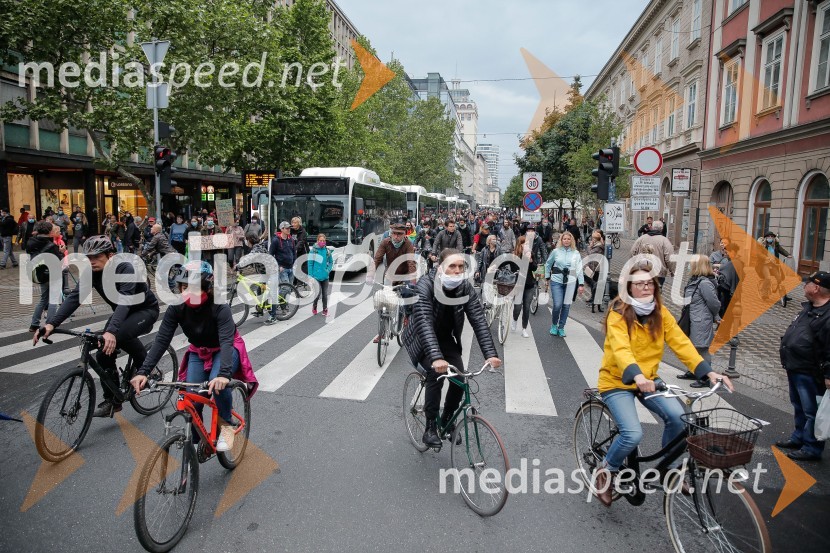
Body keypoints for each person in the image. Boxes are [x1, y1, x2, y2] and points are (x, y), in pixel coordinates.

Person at [592, 262, 734, 506]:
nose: (646, 287)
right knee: (632, 434)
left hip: (650, 380)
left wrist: (708, 373)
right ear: (628, 288)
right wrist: (636, 376)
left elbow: (681, 343)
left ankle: (670, 469)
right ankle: (606, 471)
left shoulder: (660, 312)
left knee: (679, 419)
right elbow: (621, 350)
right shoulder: (618, 313)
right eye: (640, 283)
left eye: (650, 283)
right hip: (618, 381)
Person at [130, 261, 258, 452]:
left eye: (195, 288)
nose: (188, 292)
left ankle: (226, 426)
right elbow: (162, 340)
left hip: (225, 349)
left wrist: (223, 374)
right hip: (198, 351)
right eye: (184, 287)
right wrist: (143, 372)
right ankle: (198, 439)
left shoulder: (220, 307)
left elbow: (226, 341)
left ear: (207, 287)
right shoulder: (176, 308)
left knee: (218, 385)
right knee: (192, 398)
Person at [34, 235, 160, 417]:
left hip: (144, 311)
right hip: (121, 313)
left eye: (96, 257)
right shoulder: (92, 272)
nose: (91, 261)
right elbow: (74, 298)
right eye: (88, 257)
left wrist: (111, 332)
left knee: (118, 336)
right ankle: (113, 400)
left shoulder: (125, 268)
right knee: (103, 351)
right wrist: (51, 324)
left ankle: (148, 369)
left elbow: (125, 301)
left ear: (110, 255)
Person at [401, 249, 502, 447]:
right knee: (436, 374)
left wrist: (490, 354)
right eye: (452, 266)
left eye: (461, 267)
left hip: (446, 339)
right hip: (421, 339)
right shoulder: (426, 285)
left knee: (459, 379)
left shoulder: (465, 288)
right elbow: (423, 321)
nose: (457, 271)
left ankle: (447, 419)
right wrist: (436, 358)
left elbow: (479, 320)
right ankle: (430, 427)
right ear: (440, 268)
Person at [776, 271, 830, 462]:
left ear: (815, 288)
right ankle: (799, 437)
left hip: (811, 371)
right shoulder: (808, 308)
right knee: (798, 406)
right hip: (796, 366)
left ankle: (812, 447)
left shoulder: (827, 315)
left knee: (811, 410)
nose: (804, 285)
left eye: (807, 283)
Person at [677, 256, 722, 388]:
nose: (689, 267)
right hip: (692, 319)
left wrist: (716, 316)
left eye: (691, 264)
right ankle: (693, 371)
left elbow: (714, 303)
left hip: (701, 321)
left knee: (702, 349)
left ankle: (705, 377)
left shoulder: (705, 283)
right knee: (692, 348)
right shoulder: (696, 280)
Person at [368, 223, 417, 342]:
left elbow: (411, 262)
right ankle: (382, 333)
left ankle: (407, 315)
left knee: (407, 293)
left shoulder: (408, 244)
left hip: (405, 275)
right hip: (390, 275)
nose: (396, 236)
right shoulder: (385, 242)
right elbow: (377, 259)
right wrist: (370, 275)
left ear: (404, 234)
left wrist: (413, 281)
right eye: (394, 234)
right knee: (383, 302)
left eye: (399, 234)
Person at [545, 231, 584, 337]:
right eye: (564, 239)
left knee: (566, 306)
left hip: (570, 282)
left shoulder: (576, 253)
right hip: (556, 280)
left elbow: (579, 270)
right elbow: (548, 264)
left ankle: (561, 327)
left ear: (571, 240)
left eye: (568, 239)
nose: (566, 241)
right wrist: (547, 276)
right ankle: (554, 325)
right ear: (561, 240)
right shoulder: (555, 251)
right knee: (557, 305)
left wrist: (581, 284)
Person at [26, 221, 62, 331]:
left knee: (43, 299)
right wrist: (61, 252)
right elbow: (58, 261)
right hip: (52, 274)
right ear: (49, 231)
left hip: (39, 273)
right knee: (53, 300)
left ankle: (34, 324)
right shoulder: (51, 246)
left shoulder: (31, 242)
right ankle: (49, 324)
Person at [505, 236, 537, 338]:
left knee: (527, 307)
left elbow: (535, 268)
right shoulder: (514, 255)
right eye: (524, 243)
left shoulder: (530, 254)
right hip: (518, 285)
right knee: (517, 307)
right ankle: (514, 320)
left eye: (527, 244)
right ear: (519, 245)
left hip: (529, 284)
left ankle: (524, 328)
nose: (526, 246)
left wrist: (531, 260)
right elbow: (505, 262)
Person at [630, 220, 675, 287]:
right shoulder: (664, 241)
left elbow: (633, 252)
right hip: (658, 273)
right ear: (662, 229)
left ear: (652, 227)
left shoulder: (642, 238)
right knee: (656, 292)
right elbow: (670, 258)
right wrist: (672, 271)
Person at [756, 231, 793, 305]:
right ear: (765, 238)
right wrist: (766, 257)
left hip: (774, 264)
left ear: (773, 238)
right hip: (764, 264)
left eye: (772, 237)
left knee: (779, 278)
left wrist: (788, 255)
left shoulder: (775, 245)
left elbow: (781, 250)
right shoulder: (762, 245)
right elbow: (759, 253)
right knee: (768, 278)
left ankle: (783, 295)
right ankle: (764, 294)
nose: (770, 238)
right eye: (768, 237)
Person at [307, 233, 333, 316]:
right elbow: (310, 264)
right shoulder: (313, 251)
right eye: (320, 240)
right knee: (317, 295)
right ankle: (314, 307)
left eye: (324, 240)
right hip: (316, 277)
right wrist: (310, 276)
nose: (322, 242)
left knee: (325, 294)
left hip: (325, 276)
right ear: (317, 241)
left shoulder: (327, 251)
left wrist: (328, 270)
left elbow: (331, 262)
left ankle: (325, 310)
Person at [585, 230, 605, 313]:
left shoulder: (598, 246)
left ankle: (594, 301)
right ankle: (594, 300)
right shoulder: (598, 245)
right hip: (594, 267)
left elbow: (590, 254)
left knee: (595, 286)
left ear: (595, 239)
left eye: (592, 239)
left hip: (596, 269)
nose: (591, 240)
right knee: (594, 285)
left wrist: (589, 246)